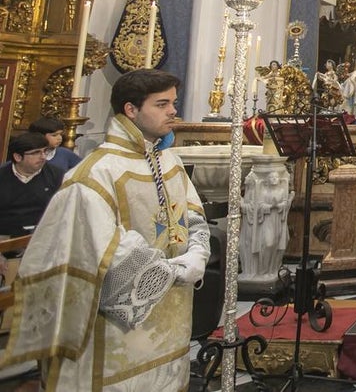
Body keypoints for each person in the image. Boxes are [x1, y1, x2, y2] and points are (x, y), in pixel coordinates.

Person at [1, 69, 210, 389]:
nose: (173, 112)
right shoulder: (96, 172)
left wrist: (197, 252)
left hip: (172, 323)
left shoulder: (170, 162)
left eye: (173, 103)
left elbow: (191, 213)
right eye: (162, 104)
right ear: (131, 109)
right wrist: (169, 272)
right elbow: (100, 245)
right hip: (114, 338)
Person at [0, 132, 64, 236]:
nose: (43, 157)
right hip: (5, 238)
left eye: (45, 151)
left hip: (44, 237)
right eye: (36, 153)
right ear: (17, 157)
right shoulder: (2, 176)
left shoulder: (57, 176)